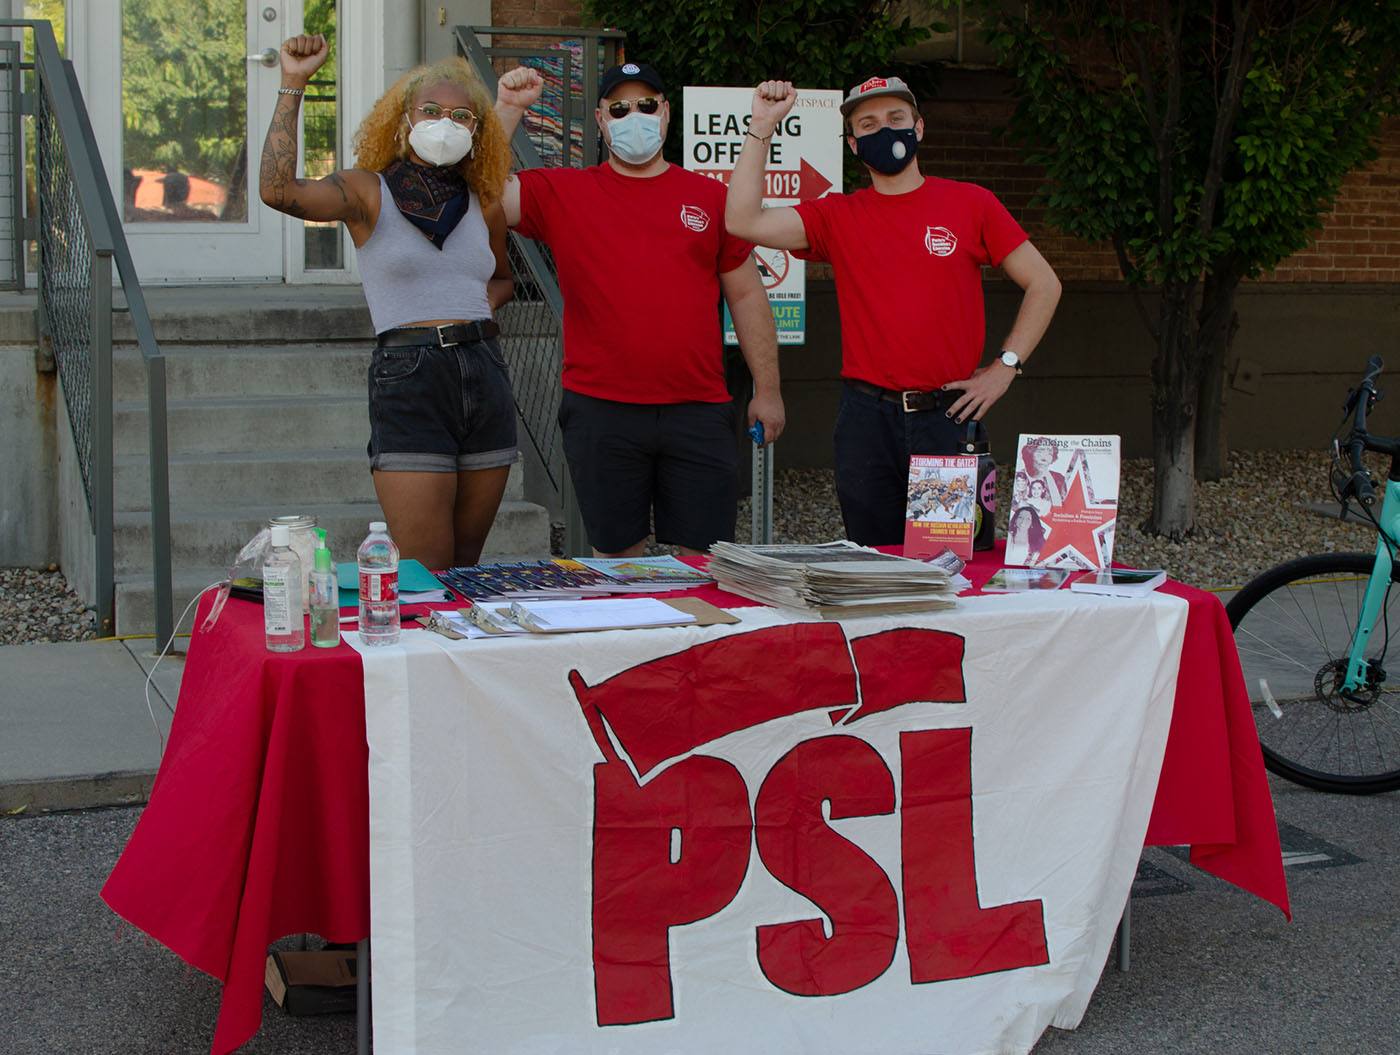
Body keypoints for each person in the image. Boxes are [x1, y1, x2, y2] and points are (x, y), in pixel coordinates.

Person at [726, 76, 1062, 546]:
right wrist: (762, 125)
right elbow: (742, 220)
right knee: (873, 563)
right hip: (866, 420)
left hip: (947, 415)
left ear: (918, 128)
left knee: (946, 562)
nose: (884, 130)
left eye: (895, 118)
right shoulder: (837, 216)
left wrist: (1006, 366)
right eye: (868, 124)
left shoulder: (971, 203)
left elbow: (1044, 283)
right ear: (853, 144)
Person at [492, 61, 785, 558]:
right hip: (600, 408)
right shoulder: (565, 191)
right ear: (601, 120)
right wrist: (507, 110)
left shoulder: (713, 198)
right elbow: (485, 194)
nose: (635, 117)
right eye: (620, 109)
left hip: (698, 407)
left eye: (647, 106)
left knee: (705, 562)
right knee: (616, 564)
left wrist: (768, 389)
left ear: (666, 112)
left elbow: (747, 296)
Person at [259, 34, 517, 569]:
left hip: (484, 369)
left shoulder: (484, 203)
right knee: (428, 566)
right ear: (404, 120)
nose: (445, 123)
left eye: (462, 116)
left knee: (466, 565)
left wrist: (468, 315)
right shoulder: (366, 191)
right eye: (431, 110)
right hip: (410, 371)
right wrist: (293, 81)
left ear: (476, 130)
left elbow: (501, 279)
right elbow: (278, 191)